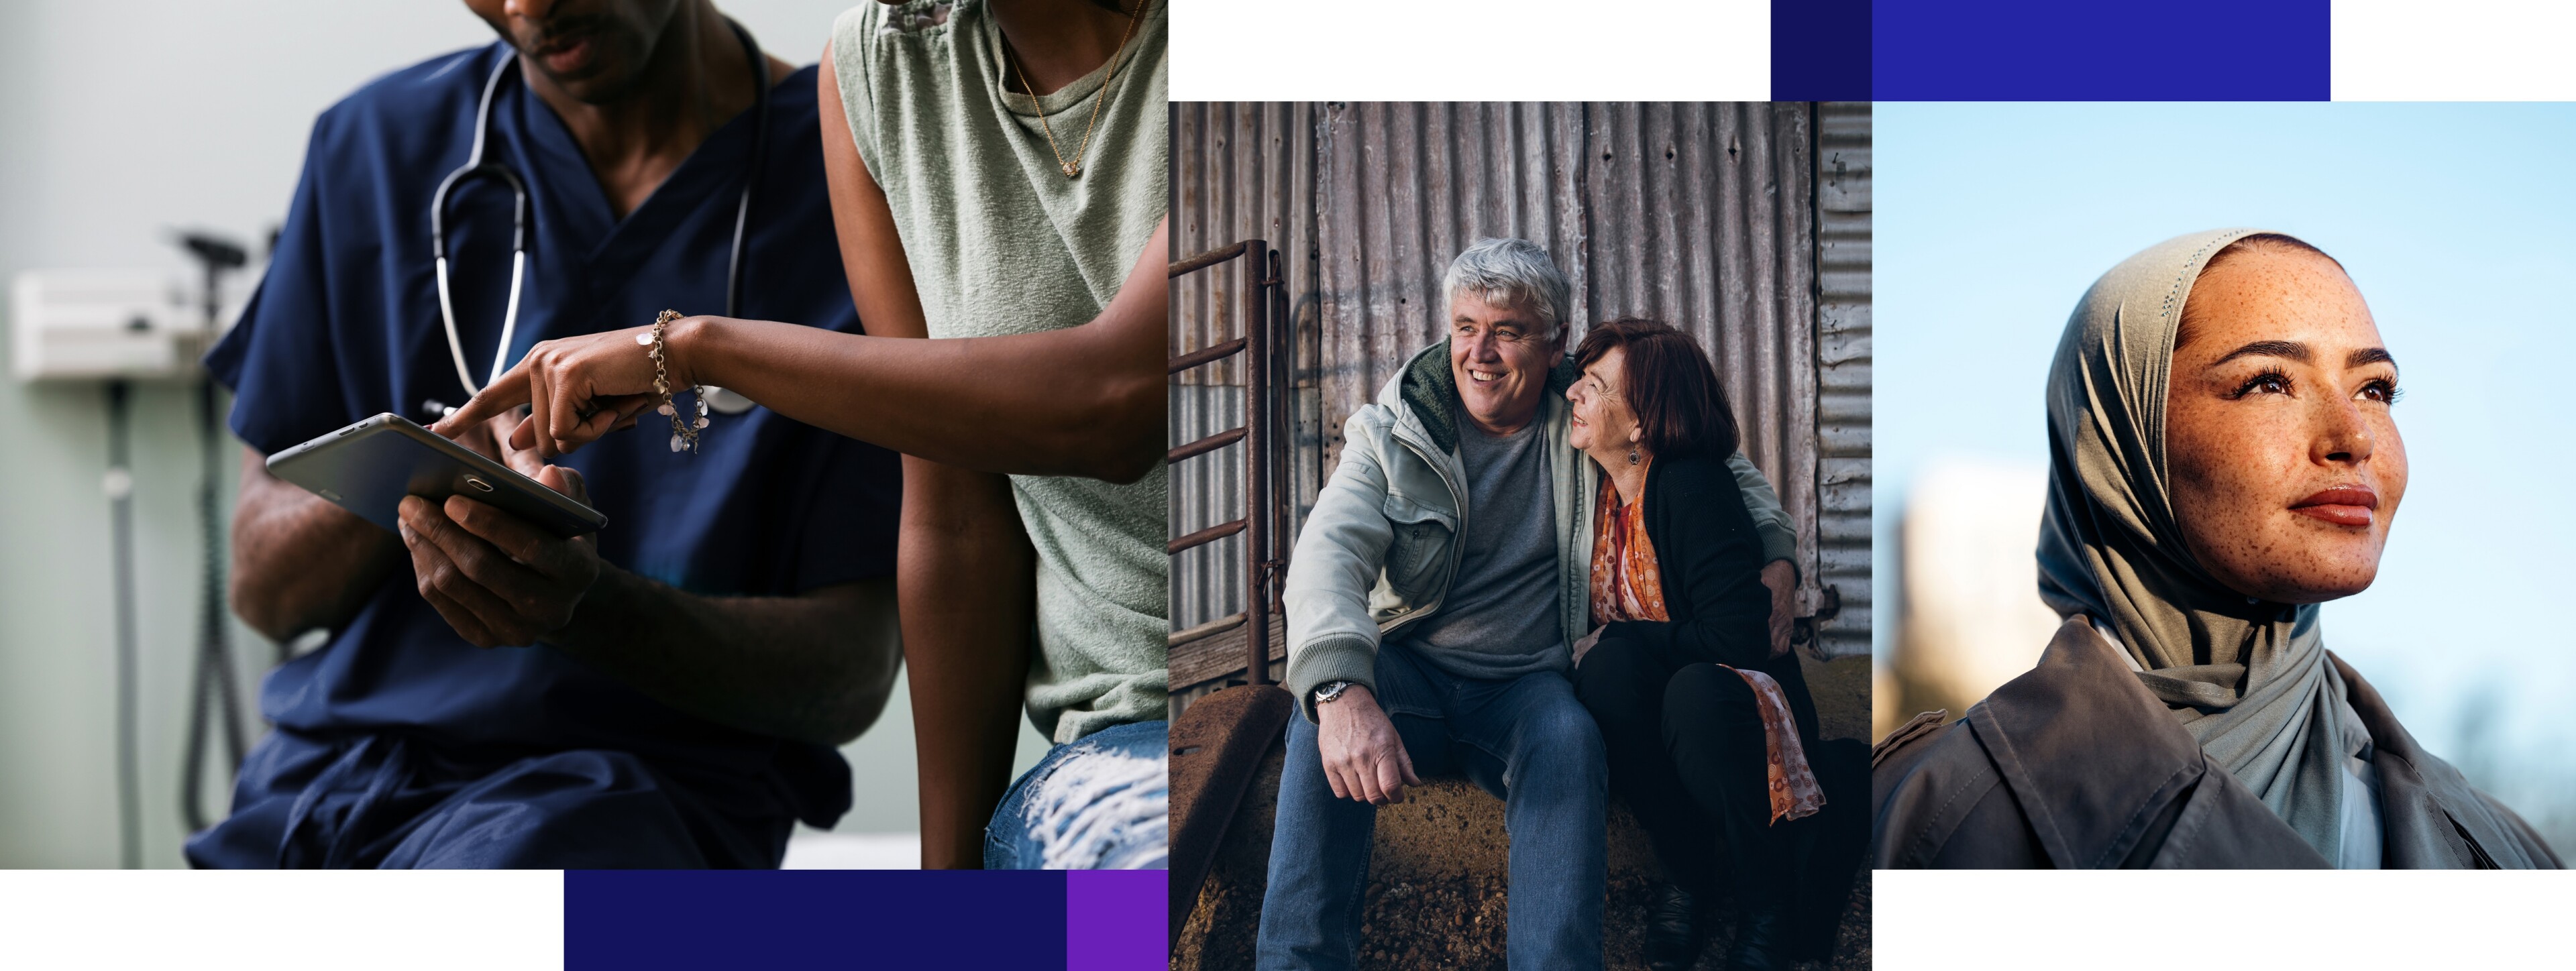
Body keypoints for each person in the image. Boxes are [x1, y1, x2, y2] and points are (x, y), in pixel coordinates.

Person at [435, 0, 1170, 869]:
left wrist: (701, 350)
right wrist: (945, 905)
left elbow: (1118, 403)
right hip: (1120, 739)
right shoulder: (882, 60)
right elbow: (954, 517)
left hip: (1335, 676)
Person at [191, 0, 907, 869]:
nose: (526, 6)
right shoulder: (375, 147)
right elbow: (265, 592)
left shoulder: (852, 177)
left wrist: (586, 605)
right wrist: (421, 470)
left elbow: (850, 676)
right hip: (323, 790)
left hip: (629, 803)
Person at [1872, 229, 2561, 869]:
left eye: (2375, 387)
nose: (2355, 436)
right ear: (2122, 440)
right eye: (2269, 382)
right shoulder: (1924, 823)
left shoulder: (2508, 857)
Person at [1254, 238, 1803, 970]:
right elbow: (1328, 552)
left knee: (1570, 738)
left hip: (1527, 682)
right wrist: (1338, 685)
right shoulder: (1397, 427)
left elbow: (1711, 448)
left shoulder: (1585, 407)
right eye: (1465, 327)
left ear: (1553, 346)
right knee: (1322, 704)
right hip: (1411, 669)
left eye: (1506, 331)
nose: (1479, 352)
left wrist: (1778, 553)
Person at [1564, 319, 1824, 971]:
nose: (1573, 394)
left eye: (1593, 387)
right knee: (1609, 674)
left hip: (1739, 704)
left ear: (1643, 423)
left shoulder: (1688, 482)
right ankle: (1689, 871)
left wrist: (1624, 635)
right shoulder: (1592, 496)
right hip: (1662, 699)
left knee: (1694, 692)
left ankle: (1769, 904)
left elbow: (1737, 634)